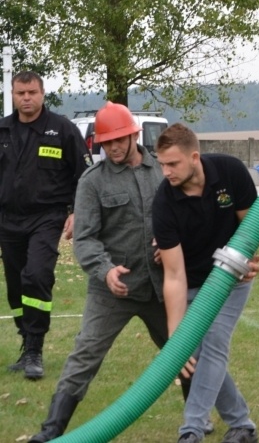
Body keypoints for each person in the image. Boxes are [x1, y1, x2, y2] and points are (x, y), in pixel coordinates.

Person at [28, 102, 203, 442]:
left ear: (134, 135)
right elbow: (86, 238)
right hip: (112, 289)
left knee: (185, 350)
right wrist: (106, 271)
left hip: (160, 286)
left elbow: (186, 212)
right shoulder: (92, 181)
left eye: (120, 140)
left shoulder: (162, 171)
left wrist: (169, 242)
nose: (114, 148)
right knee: (84, 355)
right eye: (107, 143)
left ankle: (196, 421)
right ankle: (51, 431)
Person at [153, 123, 259, 443]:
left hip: (230, 278)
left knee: (213, 340)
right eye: (161, 164)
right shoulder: (164, 203)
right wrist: (176, 335)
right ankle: (242, 424)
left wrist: (249, 258)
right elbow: (173, 274)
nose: (166, 172)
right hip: (191, 280)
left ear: (194, 157)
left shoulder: (230, 172)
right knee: (194, 351)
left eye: (172, 164)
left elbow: (253, 223)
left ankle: (192, 430)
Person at [0, 71, 92, 381]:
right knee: (16, 286)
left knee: (37, 275)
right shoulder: (2, 130)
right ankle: (26, 342)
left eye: (32, 92)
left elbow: (86, 175)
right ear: (13, 94)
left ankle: (36, 349)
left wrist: (78, 211)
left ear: (42, 94)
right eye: (20, 92)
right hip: (8, 219)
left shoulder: (62, 129)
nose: (26, 98)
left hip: (47, 217)